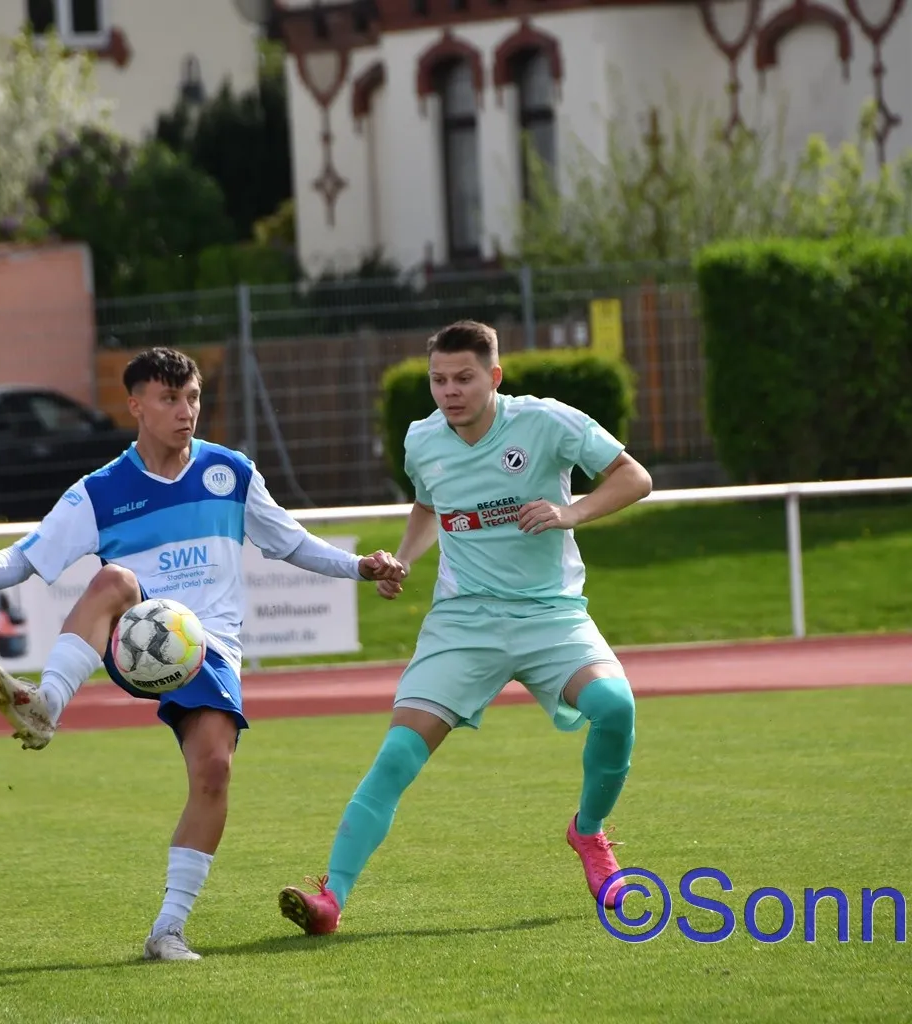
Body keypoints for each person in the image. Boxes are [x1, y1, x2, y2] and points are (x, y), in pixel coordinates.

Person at [0, 347, 406, 962]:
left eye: (193, 398)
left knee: (214, 772)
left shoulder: (229, 471)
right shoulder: (99, 491)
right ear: (135, 406)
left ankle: (167, 931)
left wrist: (360, 566)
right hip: (137, 635)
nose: (186, 412)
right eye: (170, 399)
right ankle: (48, 703)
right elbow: (27, 554)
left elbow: (290, 542)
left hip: (210, 647)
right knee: (113, 579)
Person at [277, 320, 654, 936]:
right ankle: (331, 899)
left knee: (615, 706)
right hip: (464, 621)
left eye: (463, 378)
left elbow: (634, 476)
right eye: (438, 380)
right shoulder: (422, 439)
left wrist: (569, 513)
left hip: (548, 613)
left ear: (494, 377)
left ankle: (588, 833)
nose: (449, 391)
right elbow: (430, 505)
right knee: (398, 753)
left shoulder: (546, 421)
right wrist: (404, 559)